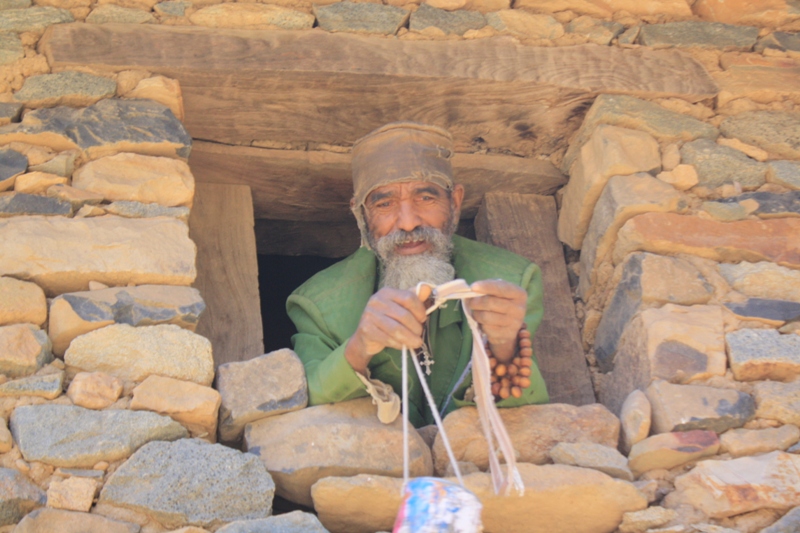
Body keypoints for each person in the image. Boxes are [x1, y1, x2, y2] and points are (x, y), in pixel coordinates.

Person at [286, 122, 549, 428]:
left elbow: (528, 415)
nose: (408, 223)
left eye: (426, 199)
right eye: (384, 204)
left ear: (455, 202)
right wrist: (360, 346)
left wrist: (506, 348)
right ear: (360, 215)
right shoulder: (318, 304)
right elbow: (305, 402)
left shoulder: (512, 280)